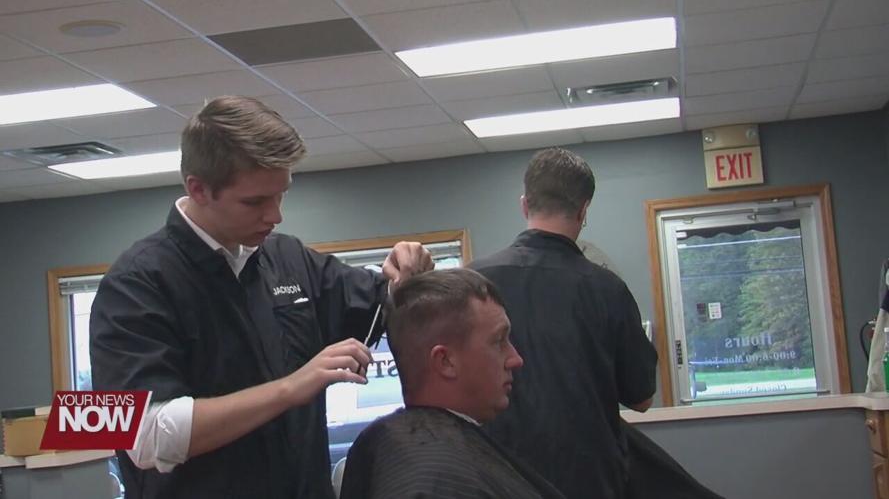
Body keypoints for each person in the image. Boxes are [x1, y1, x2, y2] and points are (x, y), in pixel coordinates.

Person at [89, 95, 433, 499]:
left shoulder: (287, 258)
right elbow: (146, 438)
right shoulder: (135, 284)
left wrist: (405, 273)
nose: (275, 215)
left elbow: (379, 304)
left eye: (281, 194)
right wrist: (290, 388)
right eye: (254, 201)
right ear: (198, 189)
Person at [469, 147, 658, 499]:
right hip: (589, 483)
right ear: (584, 211)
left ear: (524, 204)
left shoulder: (471, 283)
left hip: (497, 481)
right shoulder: (607, 289)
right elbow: (642, 397)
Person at [339, 269, 566, 499]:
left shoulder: (387, 448)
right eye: (498, 341)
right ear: (445, 361)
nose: (515, 359)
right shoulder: (434, 481)